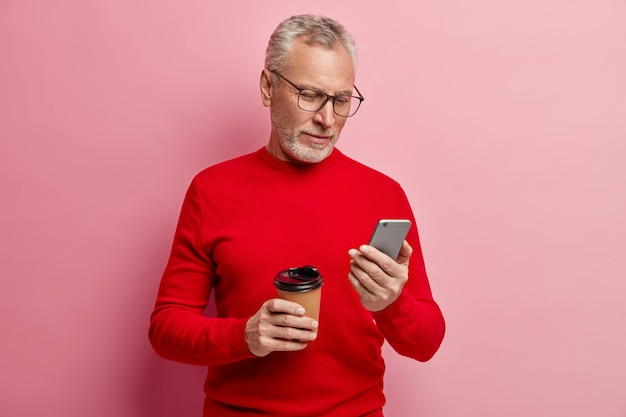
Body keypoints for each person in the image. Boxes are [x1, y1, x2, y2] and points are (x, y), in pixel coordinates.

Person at [149, 14, 445, 417]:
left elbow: (427, 342)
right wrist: (245, 336)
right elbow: (166, 328)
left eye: (341, 100)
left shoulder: (384, 194)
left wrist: (393, 304)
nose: (327, 119)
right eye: (309, 94)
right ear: (268, 87)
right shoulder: (211, 191)